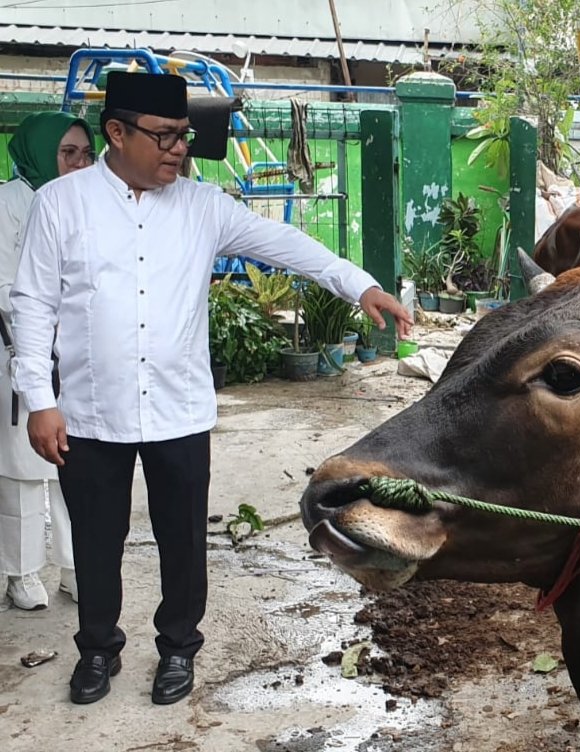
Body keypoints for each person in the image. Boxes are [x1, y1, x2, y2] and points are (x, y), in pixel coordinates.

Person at [10, 72, 412, 706]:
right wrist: (40, 398)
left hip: (178, 410)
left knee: (182, 538)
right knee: (94, 540)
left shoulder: (204, 207)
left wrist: (358, 285)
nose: (178, 149)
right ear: (116, 132)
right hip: (87, 412)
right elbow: (32, 303)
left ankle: (177, 649)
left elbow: (287, 245)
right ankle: (97, 648)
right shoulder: (63, 203)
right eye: (164, 136)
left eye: (184, 136)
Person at [0, 111, 93, 611]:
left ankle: (77, 567)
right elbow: (9, 288)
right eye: (66, 153)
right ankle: (21, 572)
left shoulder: (90, 205)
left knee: (76, 469)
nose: (78, 163)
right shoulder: (7, 204)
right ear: (38, 152)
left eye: (85, 153)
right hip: (18, 353)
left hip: (79, 357)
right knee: (22, 473)